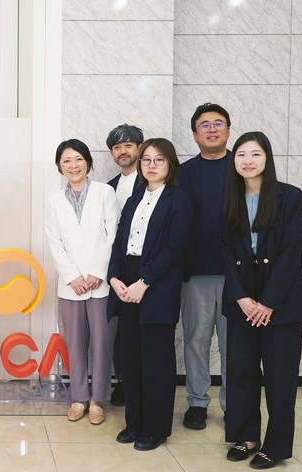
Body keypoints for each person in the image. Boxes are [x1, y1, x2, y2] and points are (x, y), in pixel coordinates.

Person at [220, 132, 302, 470]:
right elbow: (225, 251)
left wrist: (269, 302)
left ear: (267, 158)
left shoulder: (289, 196)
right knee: (241, 371)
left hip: (281, 302)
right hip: (243, 299)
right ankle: (246, 436)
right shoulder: (230, 198)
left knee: (279, 377)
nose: (247, 161)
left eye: (255, 154)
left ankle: (276, 446)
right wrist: (241, 296)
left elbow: (291, 253)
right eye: (241, 154)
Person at [107, 138, 192, 451]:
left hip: (158, 283)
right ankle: (134, 423)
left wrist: (144, 282)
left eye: (159, 160)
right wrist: (114, 278)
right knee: (131, 358)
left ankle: (155, 429)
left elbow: (175, 247)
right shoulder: (133, 199)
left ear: (170, 164)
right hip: (127, 279)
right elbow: (120, 242)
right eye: (146, 160)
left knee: (155, 361)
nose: (151, 165)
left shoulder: (179, 200)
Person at [45, 139, 119, 425]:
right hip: (71, 285)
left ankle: (97, 399)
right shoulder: (54, 201)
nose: (73, 165)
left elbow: (112, 234)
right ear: (59, 167)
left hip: (100, 283)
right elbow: (55, 241)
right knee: (74, 343)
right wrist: (72, 276)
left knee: (102, 342)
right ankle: (78, 397)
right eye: (66, 161)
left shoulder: (105, 192)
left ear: (88, 162)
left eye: (78, 159)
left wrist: (97, 272)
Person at [178, 102, 232, 430]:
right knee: (195, 341)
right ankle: (197, 402)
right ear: (195, 135)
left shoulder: (242, 168)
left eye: (218, 123)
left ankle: (233, 406)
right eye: (204, 125)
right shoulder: (182, 173)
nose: (211, 129)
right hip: (194, 273)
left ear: (228, 130)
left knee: (233, 346)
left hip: (236, 276)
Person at [105, 123, 145, 406]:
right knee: (119, 329)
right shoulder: (108, 188)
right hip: (117, 266)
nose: (123, 151)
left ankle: (143, 383)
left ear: (139, 148)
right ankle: (123, 382)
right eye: (117, 147)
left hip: (144, 267)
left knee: (145, 328)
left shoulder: (151, 182)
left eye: (128, 145)